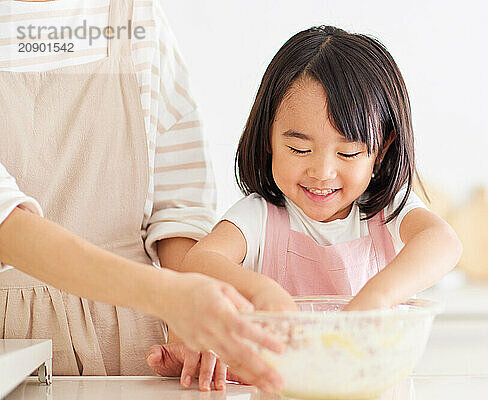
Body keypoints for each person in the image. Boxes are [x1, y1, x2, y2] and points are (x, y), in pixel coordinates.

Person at [145, 25, 463, 391]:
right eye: (299, 149)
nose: (322, 172)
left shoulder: (387, 211)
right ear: (268, 137)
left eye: (348, 152)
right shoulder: (260, 215)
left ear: (382, 148)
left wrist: (375, 299)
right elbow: (200, 261)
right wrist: (262, 292)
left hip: (370, 386)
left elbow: (444, 241)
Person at [0, 0, 281, 392]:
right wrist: (171, 297)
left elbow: (179, 207)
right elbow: (6, 227)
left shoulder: (135, 17)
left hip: (133, 343)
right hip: (9, 345)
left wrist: (192, 331)